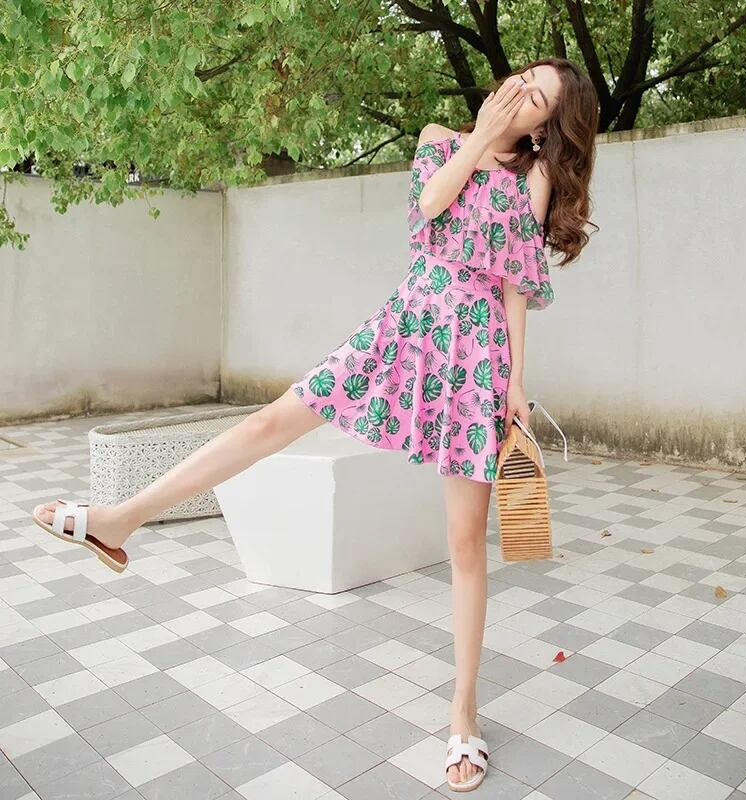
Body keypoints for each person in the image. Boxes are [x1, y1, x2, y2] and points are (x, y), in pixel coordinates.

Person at [33, 57, 599, 792]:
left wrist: (517, 381)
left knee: (464, 543)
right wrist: (479, 137)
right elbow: (429, 209)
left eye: (537, 101)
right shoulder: (439, 138)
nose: (519, 96)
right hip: (406, 325)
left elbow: (515, 283)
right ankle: (120, 519)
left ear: (546, 128)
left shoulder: (534, 177)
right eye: (522, 80)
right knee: (274, 420)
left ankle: (463, 714)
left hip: (476, 354)